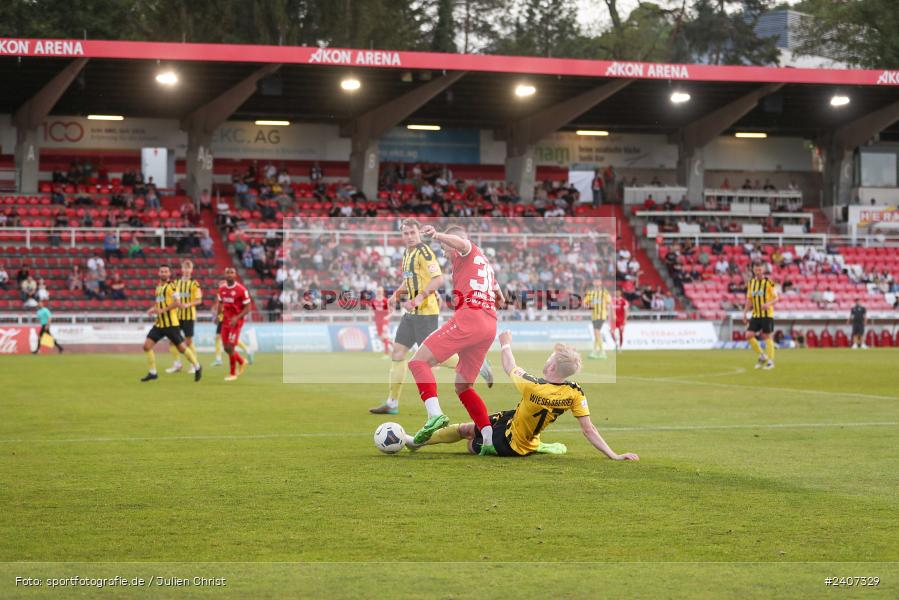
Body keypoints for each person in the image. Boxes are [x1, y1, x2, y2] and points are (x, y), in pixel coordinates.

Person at [407, 332, 639, 461]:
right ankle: (414, 442)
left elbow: (509, 366)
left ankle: (413, 443)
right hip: (518, 426)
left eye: (548, 360)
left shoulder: (533, 386)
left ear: (552, 368)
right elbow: (589, 429)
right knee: (471, 427)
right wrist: (614, 455)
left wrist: (506, 344)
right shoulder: (575, 392)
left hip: (509, 443)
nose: (546, 362)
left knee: (467, 438)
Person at [369, 219, 492, 415]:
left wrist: (419, 298)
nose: (409, 236)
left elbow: (438, 279)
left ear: (418, 233)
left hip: (426, 311)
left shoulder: (425, 252)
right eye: (405, 233)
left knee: (431, 357)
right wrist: (395, 296)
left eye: (412, 232)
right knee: (398, 353)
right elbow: (408, 281)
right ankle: (392, 402)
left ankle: (474, 363)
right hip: (411, 312)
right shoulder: (407, 253)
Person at [406, 224, 505, 455]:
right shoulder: (485, 265)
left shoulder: (467, 250)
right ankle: (488, 440)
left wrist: (438, 235)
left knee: (418, 362)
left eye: (444, 248)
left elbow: (462, 244)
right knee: (463, 386)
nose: (443, 252)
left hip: (469, 319)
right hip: (489, 324)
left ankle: (435, 415)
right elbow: (500, 296)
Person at [140, 265, 202, 382]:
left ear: (169, 274)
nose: (163, 273)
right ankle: (153, 372)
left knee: (182, 348)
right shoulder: (158, 287)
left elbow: (177, 302)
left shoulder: (172, 286)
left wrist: (162, 310)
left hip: (171, 324)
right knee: (146, 346)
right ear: (159, 273)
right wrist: (152, 308)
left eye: (166, 272)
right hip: (159, 324)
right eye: (162, 271)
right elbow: (159, 303)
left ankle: (197, 366)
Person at [165, 260, 203, 375]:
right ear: (182, 269)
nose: (186, 270)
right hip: (176, 316)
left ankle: (193, 364)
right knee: (172, 340)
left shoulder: (194, 284)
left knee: (188, 342)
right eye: (184, 268)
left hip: (189, 316)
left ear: (191, 270)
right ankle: (177, 364)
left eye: (188, 268)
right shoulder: (176, 283)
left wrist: (188, 304)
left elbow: (199, 300)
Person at [216, 267, 252, 381]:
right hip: (225, 321)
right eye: (228, 273)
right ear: (225, 274)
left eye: (232, 272)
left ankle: (232, 374)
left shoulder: (241, 290)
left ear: (235, 275)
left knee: (231, 347)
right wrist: (218, 316)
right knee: (226, 348)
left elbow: (248, 307)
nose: (229, 274)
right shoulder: (221, 289)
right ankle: (242, 361)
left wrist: (237, 317)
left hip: (236, 322)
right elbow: (220, 303)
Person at [210, 279, 254, 367]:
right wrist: (217, 315)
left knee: (223, 338)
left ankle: (220, 359)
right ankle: (247, 351)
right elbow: (217, 306)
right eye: (220, 286)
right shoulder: (221, 293)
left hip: (227, 318)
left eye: (222, 285)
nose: (220, 287)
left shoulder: (231, 293)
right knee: (221, 338)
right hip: (223, 318)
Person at [744, 262, 779, 370]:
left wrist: (768, 304)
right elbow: (749, 299)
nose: (758, 271)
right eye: (756, 269)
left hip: (767, 314)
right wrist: (745, 313)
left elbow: (776, 298)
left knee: (766, 336)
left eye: (760, 269)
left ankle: (771, 361)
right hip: (756, 314)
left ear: (763, 270)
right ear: (753, 270)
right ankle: (762, 356)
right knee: (748, 335)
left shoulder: (769, 283)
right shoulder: (751, 283)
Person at [584, 278, 612, 359]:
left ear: (600, 282)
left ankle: (602, 352)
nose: (596, 283)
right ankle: (595, 351)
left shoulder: (604, 292)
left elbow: (609, 302)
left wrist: (608, 312)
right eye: (595, 281)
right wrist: (589, 306)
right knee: (596, 333)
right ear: (593, 282)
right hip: (594, 315)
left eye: (598, 281)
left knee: (596, 332)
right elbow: (585, 303)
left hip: (601, 315)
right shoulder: (590, 293)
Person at [371, 286, 391, 359]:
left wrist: (387, 317)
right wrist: (370, 318)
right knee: (382, 338)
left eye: (380, 291)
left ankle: (386, 354)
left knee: (384, 336)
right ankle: (393, 345)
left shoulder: (385, 301)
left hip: (384, 320)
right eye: (378, 291)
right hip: (377, 321)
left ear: (383, 292)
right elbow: (372, 310)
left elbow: (390, 311)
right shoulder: (374, 301)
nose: (379, 292)